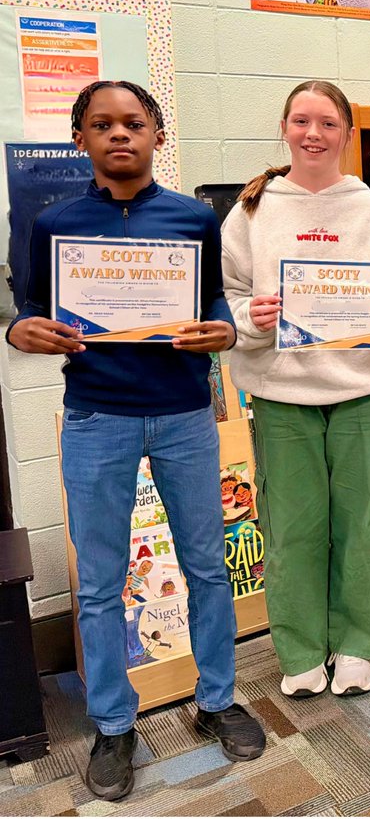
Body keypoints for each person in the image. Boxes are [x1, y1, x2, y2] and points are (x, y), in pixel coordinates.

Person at [6, 81, 265, 801]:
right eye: (102, 124)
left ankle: (216, 702)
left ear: (157, 134)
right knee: (98, 583)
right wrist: (19, 330)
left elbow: (212, 301)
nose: (120, 134)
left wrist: (225, 329)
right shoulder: (54, 223)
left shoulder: (191, 219)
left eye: (134, 123)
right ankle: (114, 724)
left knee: (207, 567)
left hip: (184, 413)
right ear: (80, 138)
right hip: (97, 416)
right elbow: (29, 312)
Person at [221, 80, 370, 698]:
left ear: (346, 133)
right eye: (301, 121)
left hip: (362, 390)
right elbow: (225, 297)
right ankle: (302, 647)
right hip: (283, 394)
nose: (313, 134)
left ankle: (361, 643)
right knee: (291, 525)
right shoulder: (252, 211)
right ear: (284, 128)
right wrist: (247, 320)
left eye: (327, 123)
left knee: (364, 521)